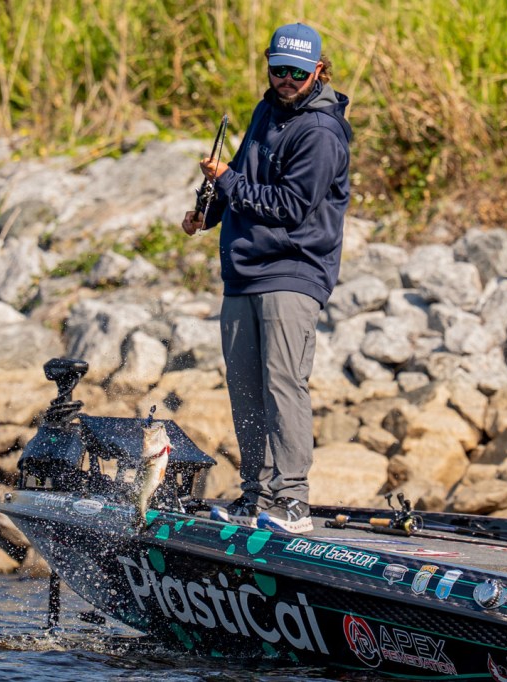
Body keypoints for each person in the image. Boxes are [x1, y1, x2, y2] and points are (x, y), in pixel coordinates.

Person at [181, 22, 352, 534]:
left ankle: (292, 500)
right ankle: (256, 495)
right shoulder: (265, 110)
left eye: (297, 73)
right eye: (279, 69)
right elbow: (240, 175)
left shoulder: (321, 132)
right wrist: (207, 212)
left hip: (293, 270)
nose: (286, 80)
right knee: (245, 388)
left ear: (318, 71)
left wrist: (227, 181)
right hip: (243, 273)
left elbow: (291, 207)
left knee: (283, 383)